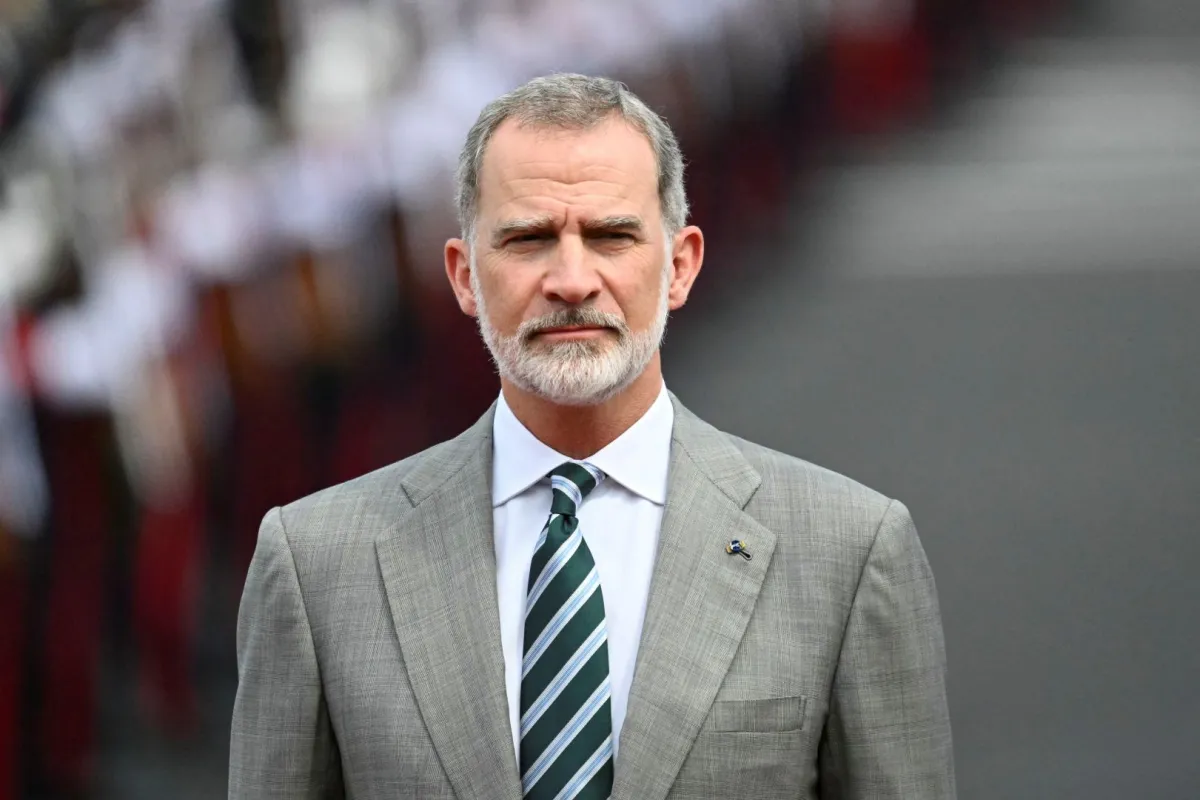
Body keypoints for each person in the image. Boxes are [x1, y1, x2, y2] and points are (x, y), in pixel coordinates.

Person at [229, 73, 956, 800]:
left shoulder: (848, 554)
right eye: (528, 239)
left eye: (611, 236)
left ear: (680, 266)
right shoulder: (317, 568)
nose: (572, 280)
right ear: (463, 276)